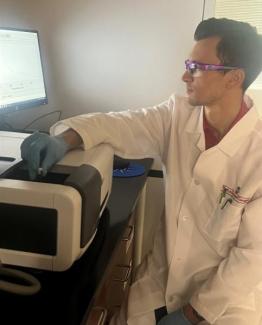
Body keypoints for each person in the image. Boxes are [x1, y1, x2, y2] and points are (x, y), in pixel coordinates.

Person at [21, 18, 262, 325]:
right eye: (188, 64)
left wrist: (192, 314)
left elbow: (253, 258)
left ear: (234, 78)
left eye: (197, 68)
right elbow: (123, 123)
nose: (184, 76)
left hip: (226, 303)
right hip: (161, 281)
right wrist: (63, 139)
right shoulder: (178, 114)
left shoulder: (257, 155)